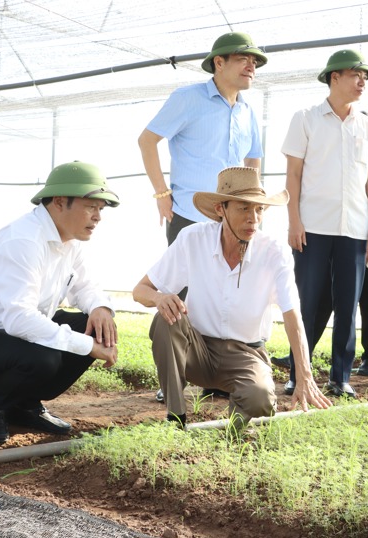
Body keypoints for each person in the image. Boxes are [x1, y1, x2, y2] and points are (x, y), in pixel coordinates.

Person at [132, 167, 332, 431]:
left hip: (246, 353)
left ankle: (235, 430)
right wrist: (160, 297)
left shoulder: (273, 252)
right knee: (165, 319)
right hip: (197, 349)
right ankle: (176, 419)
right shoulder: (193, 239)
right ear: (220, 209)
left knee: (259, 399)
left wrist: (304, 373)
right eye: (243, 209)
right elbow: (140, 290)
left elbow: (292, 313)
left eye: (259, 210)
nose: (254, 218)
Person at [0, 162, 121, 444]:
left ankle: (23, 404)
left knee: (94, 326)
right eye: (91, 207)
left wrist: (100, 308)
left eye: (101, 209)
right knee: (43, 356)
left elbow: (85, 286)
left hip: (10, 338)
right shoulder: (22, 241)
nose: (98, 217)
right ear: (60, 202)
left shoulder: (69, 243)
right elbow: (19, 319)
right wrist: (88, 347)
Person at [139, 31, 267, 401]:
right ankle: (173, 382)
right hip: (189, 215)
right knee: (176, 298)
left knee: (224, 294)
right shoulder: (188, 99)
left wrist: (253, 205)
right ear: (219, 63)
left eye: (255, 62)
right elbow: (147, 141)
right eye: (243, 59)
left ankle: (217, 376)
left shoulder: (247, 111)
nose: (251, 66)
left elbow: (254, 158)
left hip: (232, 220)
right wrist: (162, 192)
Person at [280, 49, 368, 398]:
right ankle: (298, 373)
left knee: (347, 303)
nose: (362, 81)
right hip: (312, 227)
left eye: (365, 77)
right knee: (307, 303)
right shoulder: (305, 118)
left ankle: (340, 378)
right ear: (333, 77)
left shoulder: (367, 124)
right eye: (355, 75)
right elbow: (293, 175)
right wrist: (294, 220)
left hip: (354, 229)